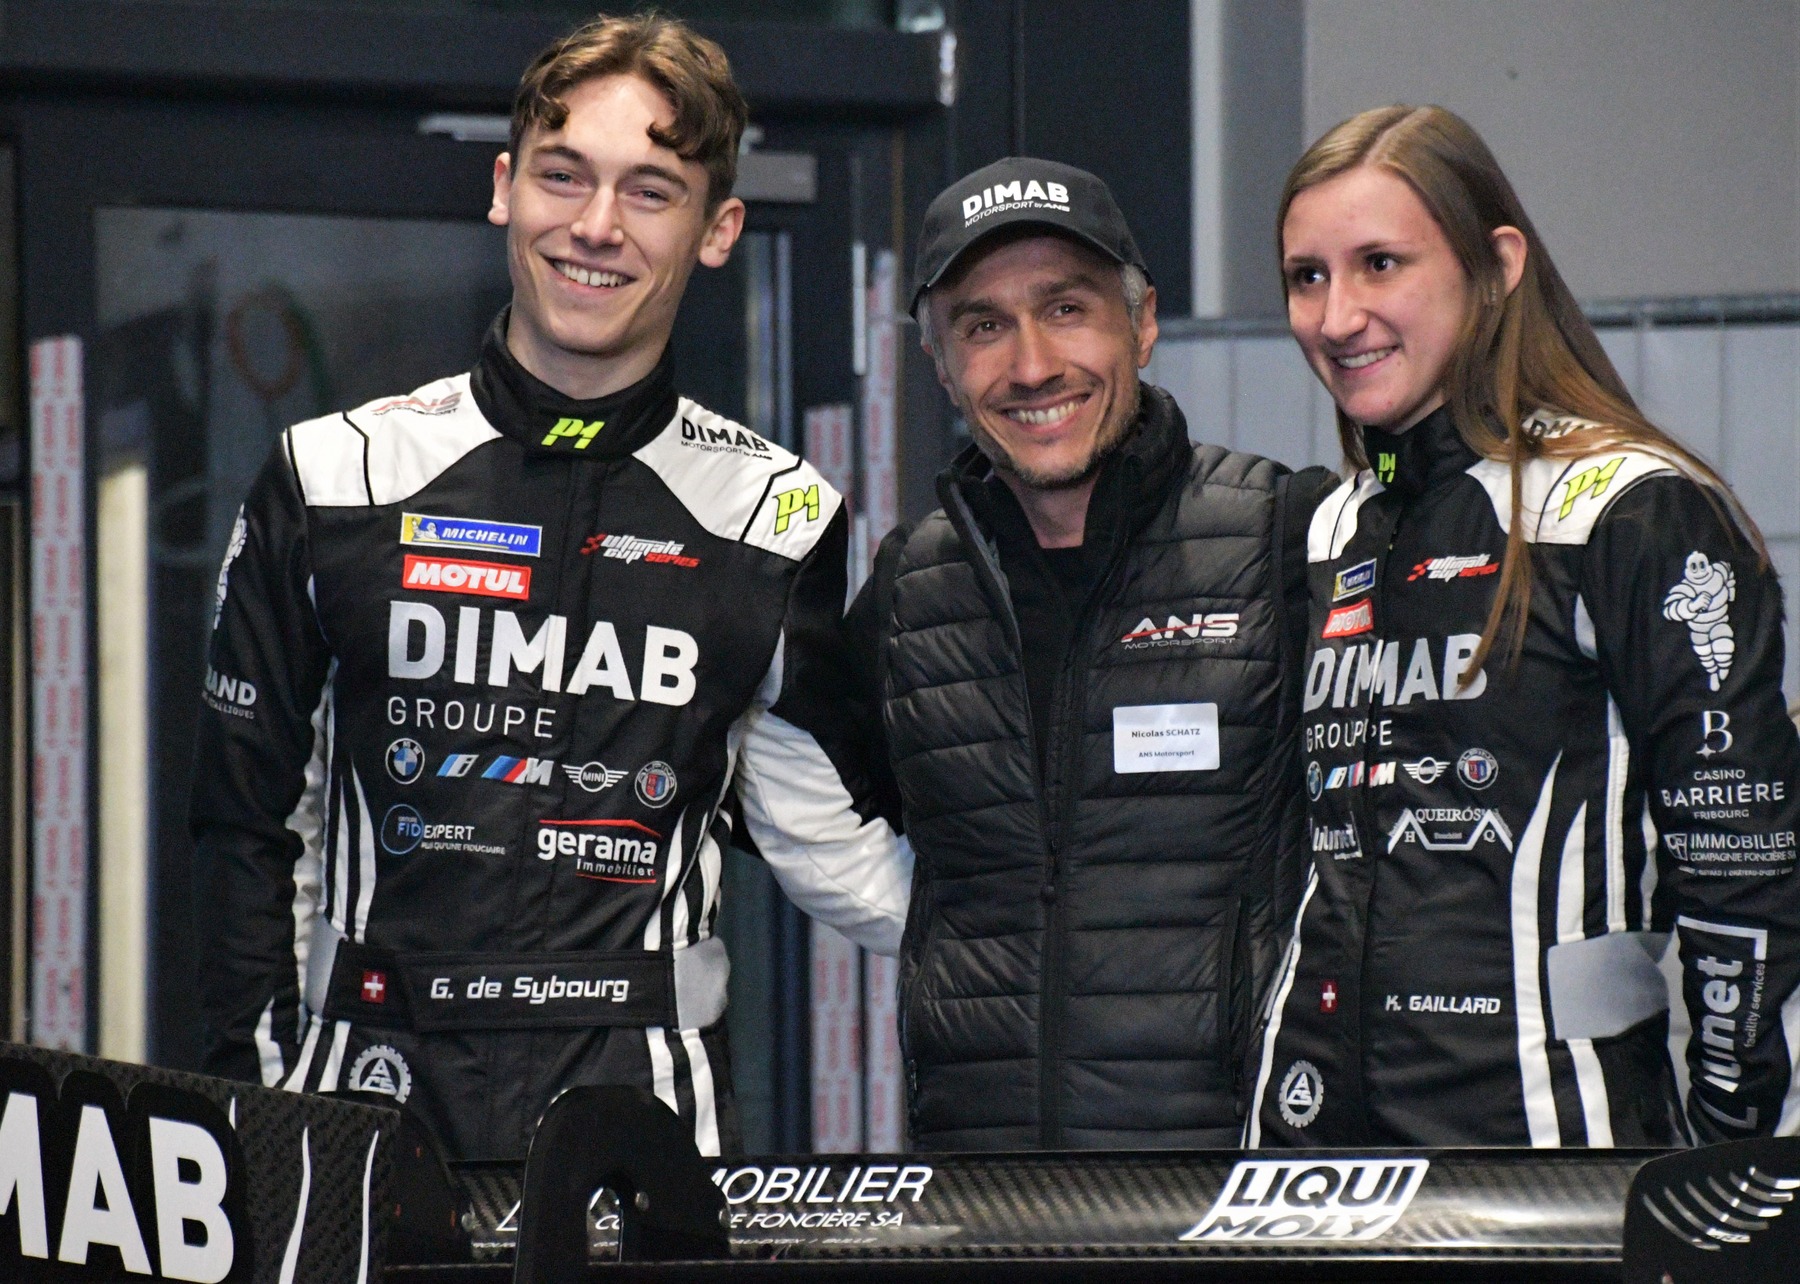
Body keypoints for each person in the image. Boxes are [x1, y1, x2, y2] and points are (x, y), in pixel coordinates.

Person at [191, 12, 909, 1162]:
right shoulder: (333, 477)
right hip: (368, 1098)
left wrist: (1068, 937)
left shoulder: (776, 514)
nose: (595, 225)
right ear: (504, 188)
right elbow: (246, 834)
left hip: (648, 1115)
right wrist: (255, 1127)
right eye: (563, 175)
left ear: (719, 229)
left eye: (650, 191)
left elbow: (835, 843)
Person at [1249, 104, 1800, 1147]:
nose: (1337, 315)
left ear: (1496, 267)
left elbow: (1744, 867)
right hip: (1309, 1149)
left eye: (1379, 264)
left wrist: (1734, 1153)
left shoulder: (1627, 508)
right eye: (1307, 276)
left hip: (1550, 1160)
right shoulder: (1331, 527)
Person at [847, 158, 1330, 1150]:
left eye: (1066, 310)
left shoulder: (1287, 538)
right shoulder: (909, 588)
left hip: (1237, 1188)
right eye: (984, 326)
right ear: (940, 362)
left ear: (1142, 324)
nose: (1031, 367)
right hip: (982, 1190)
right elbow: (787, 785)